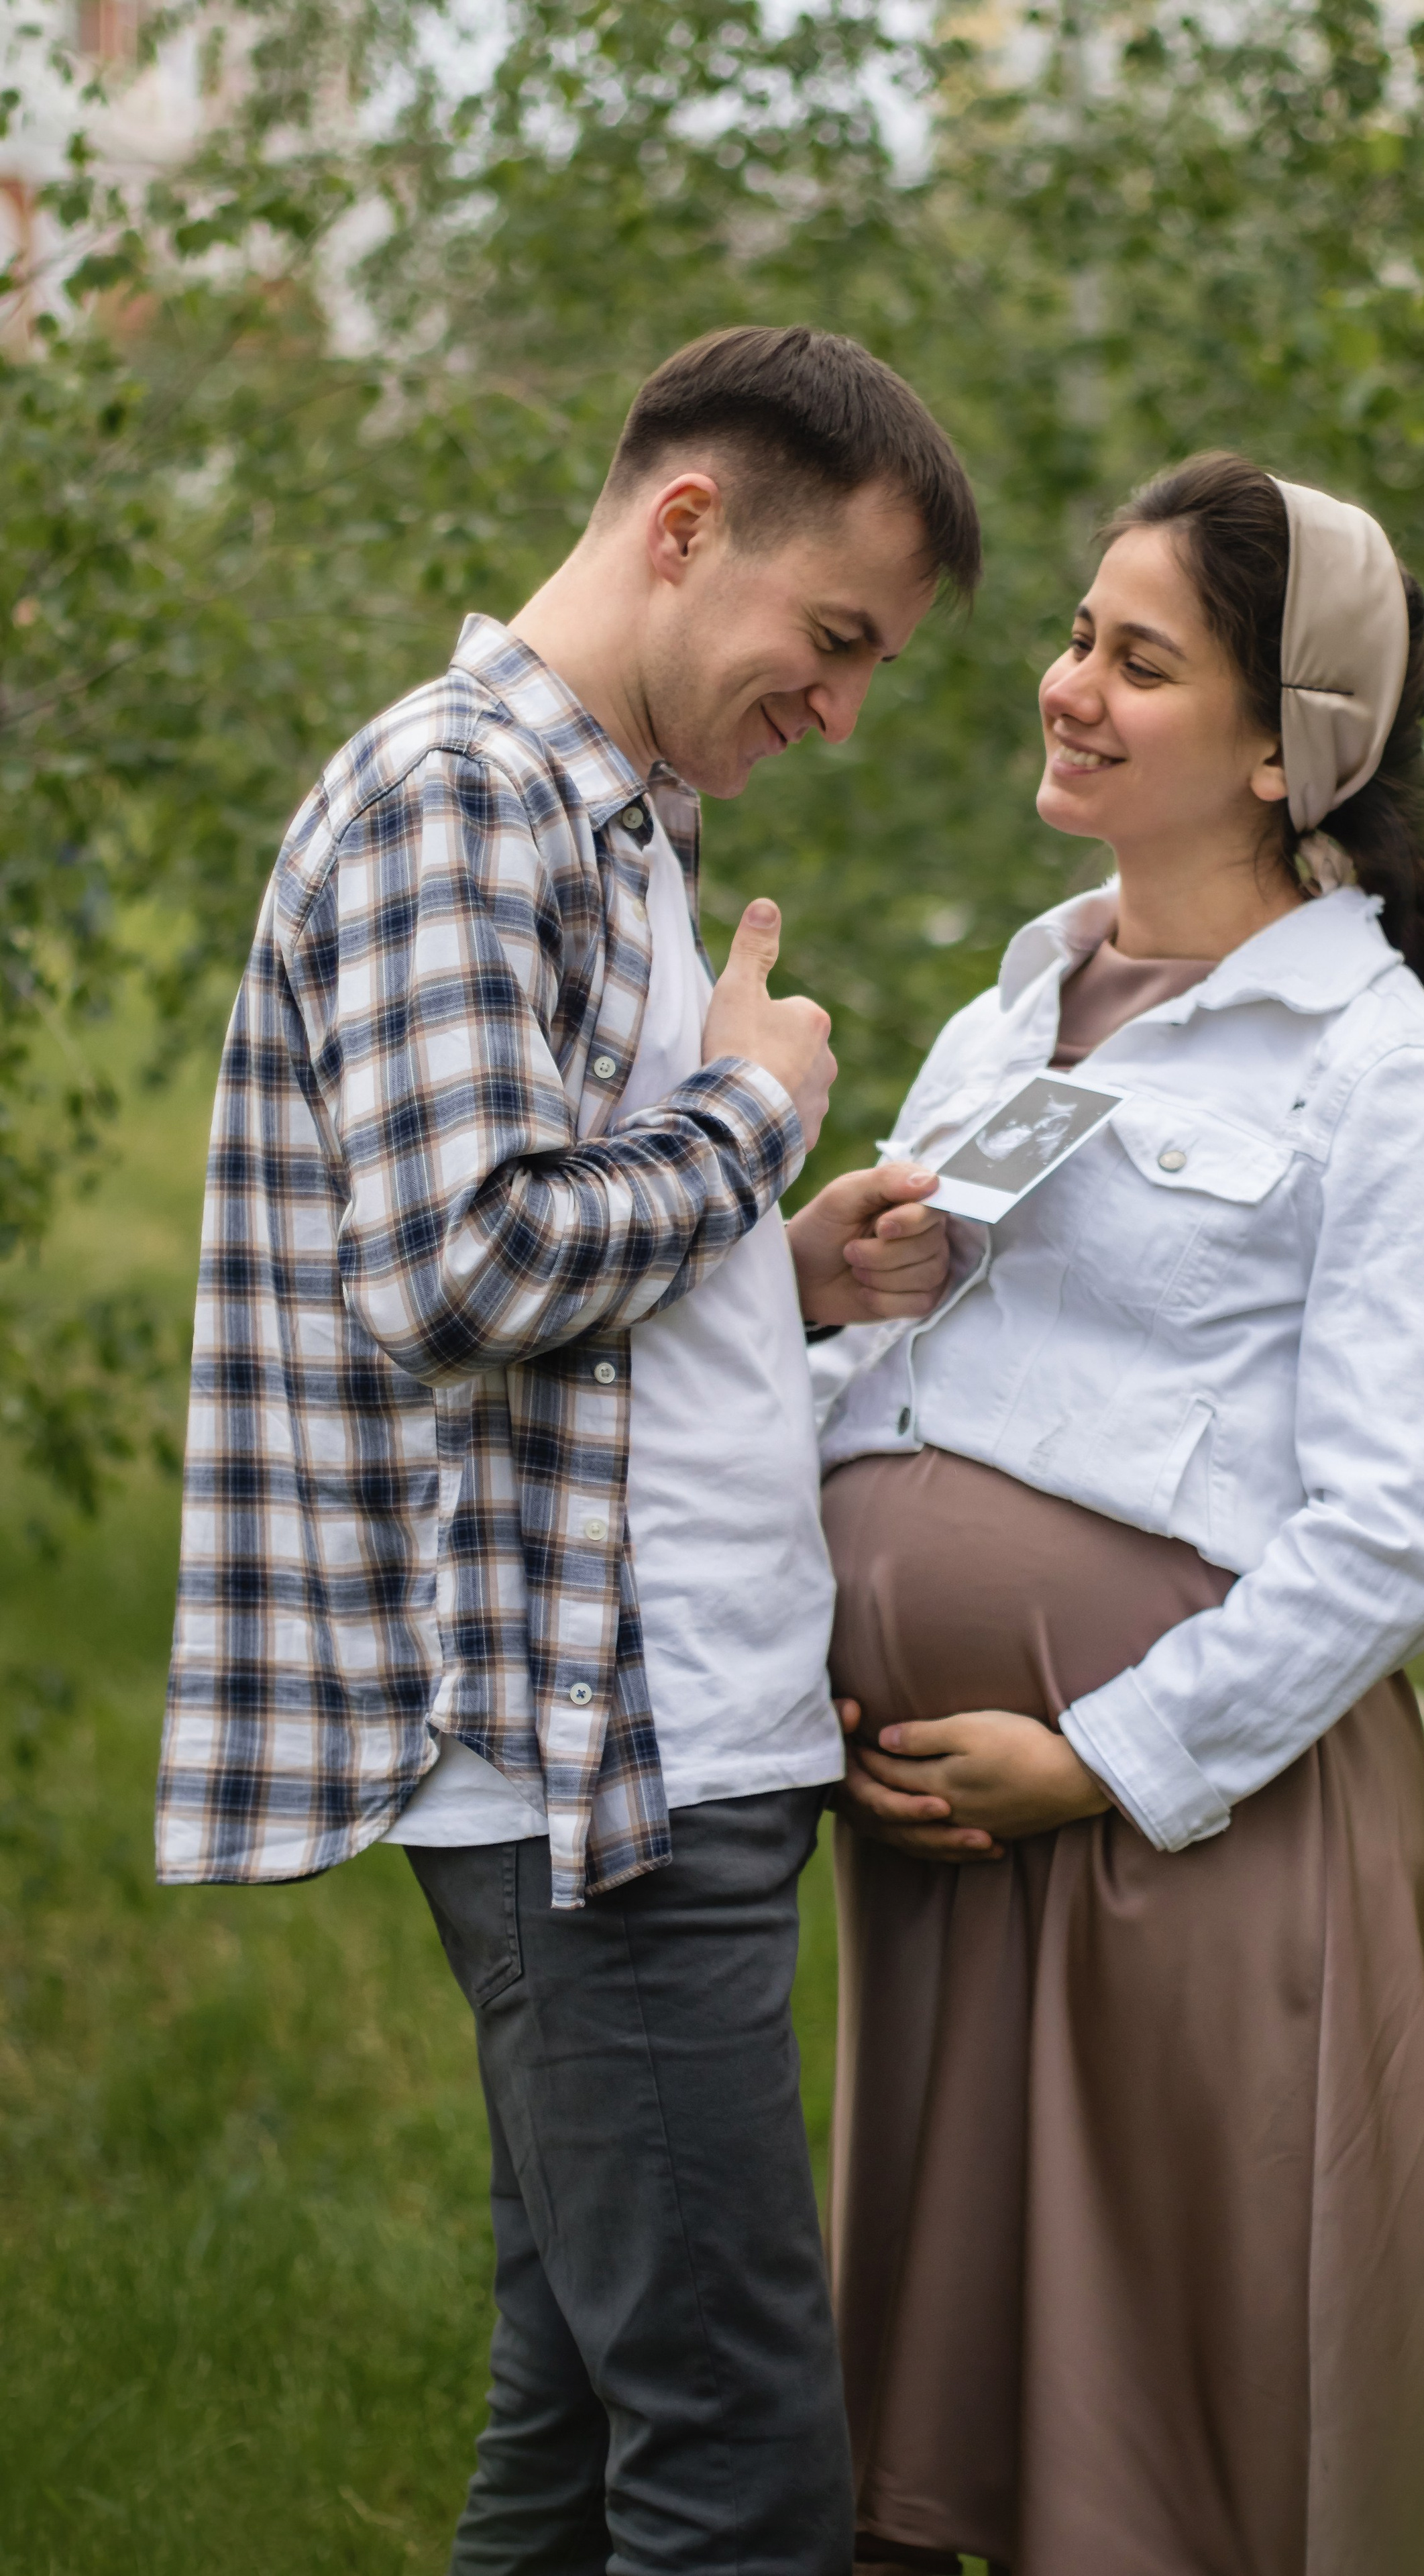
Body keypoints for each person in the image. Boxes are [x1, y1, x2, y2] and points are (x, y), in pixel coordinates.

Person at [155, 323, 979, 2576]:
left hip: (661, 1746)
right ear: (686, 525)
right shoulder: (461, 797)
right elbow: (457, 1268)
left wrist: (772, 1272)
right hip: (591, 1780)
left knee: (591, 2413)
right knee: (737, 2459)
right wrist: (747, 1118)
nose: (842, 710)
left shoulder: (610, 816)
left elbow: (554, 1284)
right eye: (835, 639)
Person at [816, 452, 1424, 2576]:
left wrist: (1100, 1760)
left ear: (1286, 746)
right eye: (1075, 637)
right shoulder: (1011, 1012)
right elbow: (890, 1380)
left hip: (1173, 1837)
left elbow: (1395, 1533)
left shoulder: (1387, 1074)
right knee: (938, 2417)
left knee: (1163, 2446)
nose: (1068, 687)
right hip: (943, 1836)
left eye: (1140, 662)